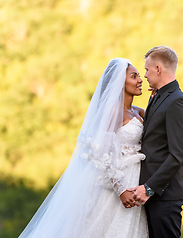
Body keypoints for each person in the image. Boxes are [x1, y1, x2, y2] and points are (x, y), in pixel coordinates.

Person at [19, 58, 148, 238]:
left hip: (135, 180)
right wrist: (120, 190)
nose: (140, 80)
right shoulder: (112, 112)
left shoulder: (139, 112)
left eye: (139, 76)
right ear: (119, 83)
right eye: (134, 76)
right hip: (117, 187)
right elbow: (100, 152)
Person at [128, 46, 183, 238]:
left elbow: (178, 155)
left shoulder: (177, 101)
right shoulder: (159, 95)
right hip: (154, 193)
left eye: (147, 70)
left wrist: (149, 188)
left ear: (158, 69)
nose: (145, 76)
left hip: (165, 193)